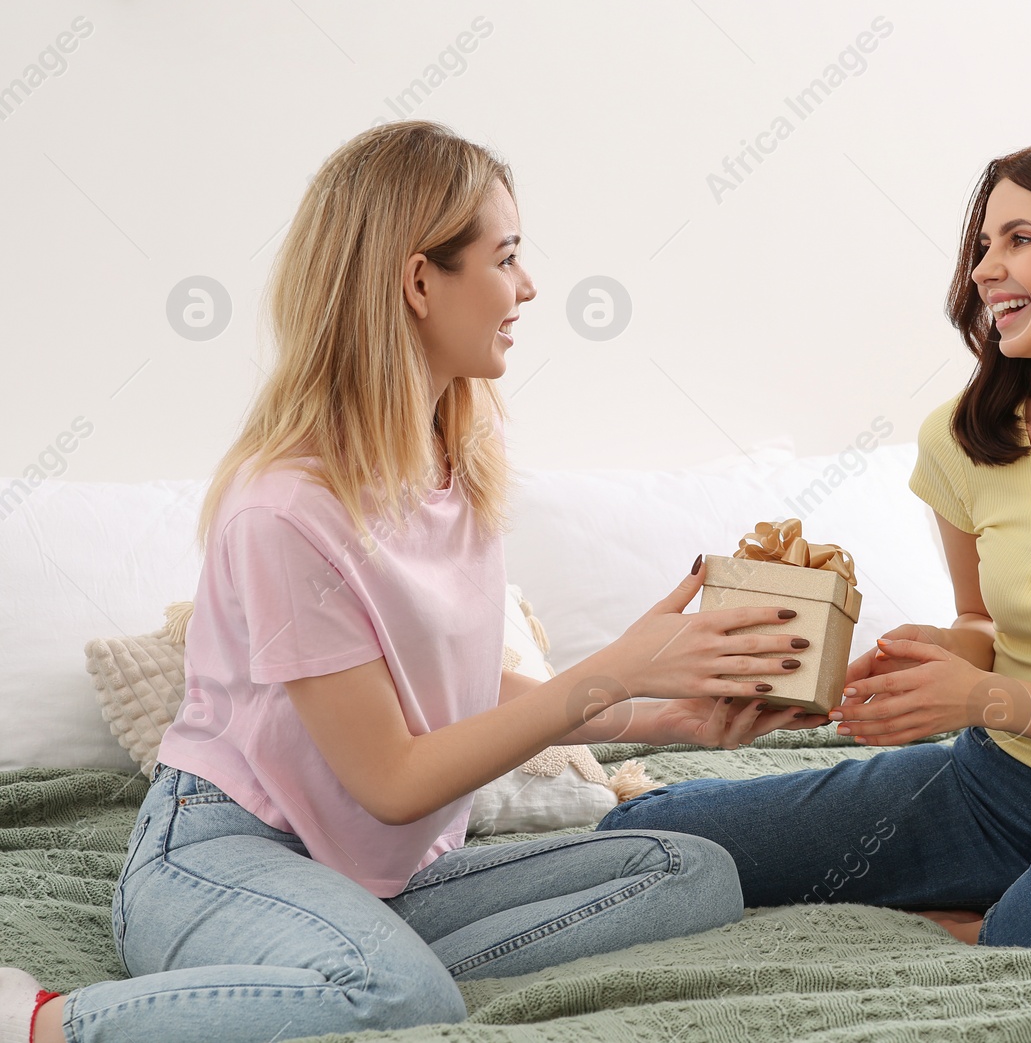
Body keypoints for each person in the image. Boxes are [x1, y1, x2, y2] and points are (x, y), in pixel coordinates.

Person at [0, 119, 828, 1043]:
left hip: (377, 875)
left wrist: (670, 715)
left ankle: (342, 954)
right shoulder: (286, 510)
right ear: (419, 279)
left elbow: (463, 696)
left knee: (693, 869)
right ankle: (39, 1020)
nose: (529, 286)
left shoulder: (457, 459)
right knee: (403, 1002)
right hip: (223, 853)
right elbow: (393, 779)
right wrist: (621, 668)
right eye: (506, 258)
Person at [598, 135, 1031, 948]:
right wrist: (943, 650)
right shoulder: (965, 440)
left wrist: (982, 698)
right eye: (982, 245)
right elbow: (988, 627)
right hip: (987, 790)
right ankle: (1004, 919)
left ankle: (990, 926)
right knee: (658, 835)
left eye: (1020, 240)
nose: (983, 269)